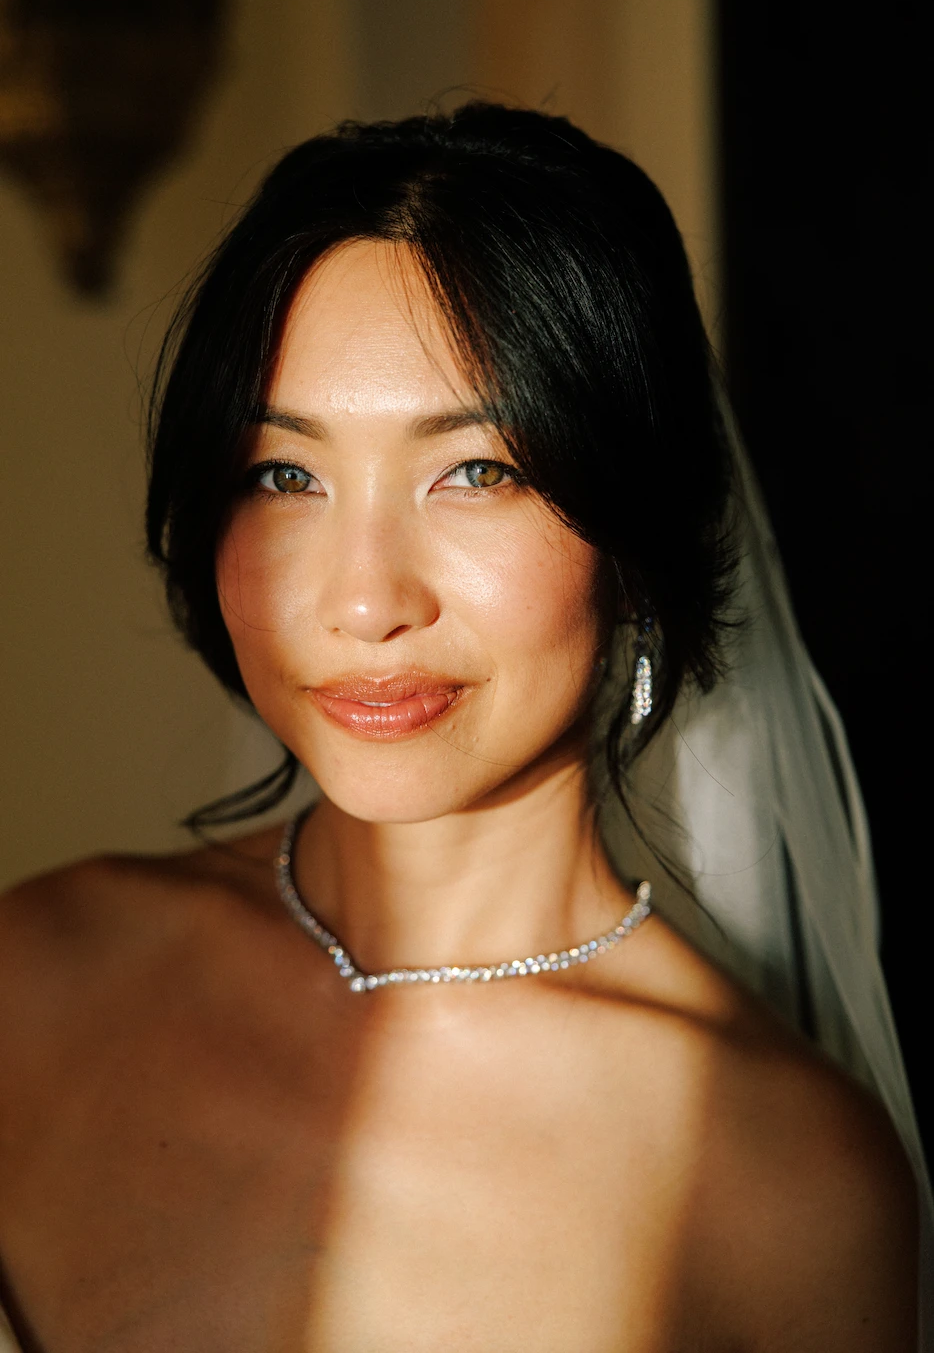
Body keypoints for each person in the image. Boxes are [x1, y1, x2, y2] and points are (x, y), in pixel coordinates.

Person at [0, 103, 925, 1352]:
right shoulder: (32, 980)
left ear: (636, 532)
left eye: (477, 471)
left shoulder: (782, 1178)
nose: (363, 600)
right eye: (285, 475)